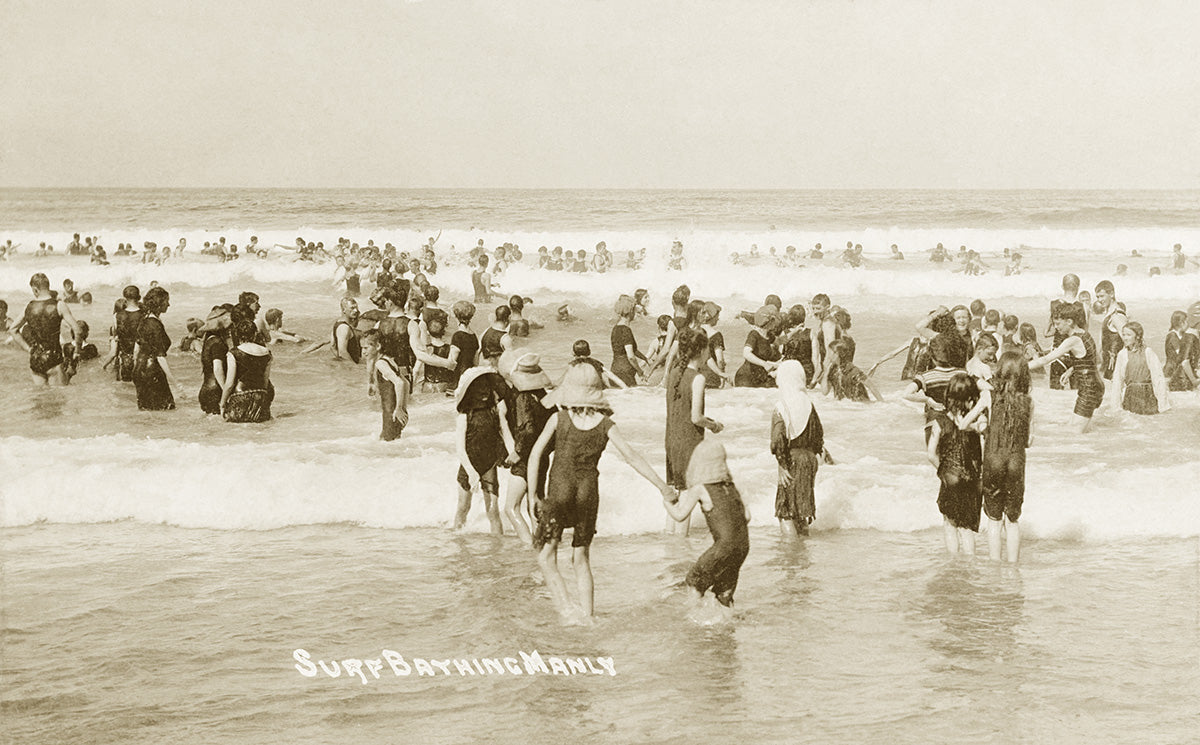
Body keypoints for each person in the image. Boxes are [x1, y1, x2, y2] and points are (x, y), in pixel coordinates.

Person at [529, 362, 676, 621]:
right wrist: (663, 488)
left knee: (546, 555)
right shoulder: (606, 424)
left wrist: (532, 494)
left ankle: (566, 609)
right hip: (587, 493)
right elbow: (633, 457)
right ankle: (588, 617)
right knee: (581, 558)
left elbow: (535, 454)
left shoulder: (559, 419)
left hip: (559, 490)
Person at [662, 439, 751, 609]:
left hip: (723, 547)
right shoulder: (731, 487)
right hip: (743, 547)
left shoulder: (701, 488)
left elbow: (680, 516)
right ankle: (726, 625)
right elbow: (747, 517)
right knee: (724, 593)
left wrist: (667, 503)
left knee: (694, 581)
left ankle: (693, 621)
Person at [972, 351, 1033, 563]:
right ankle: (1013, 566)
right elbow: (1029, 441)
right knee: (1013, 519)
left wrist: (981, 425)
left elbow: (972, 416)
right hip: (1016, 461)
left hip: (993, 459)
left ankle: (995, 565)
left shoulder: (990, 397)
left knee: (994, 520)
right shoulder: (1028, 401)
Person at [454, 336, 518, 534]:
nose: (483, 391)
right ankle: (458, 544)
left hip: (489, 463)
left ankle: (497, 554)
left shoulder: (496, 411)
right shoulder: (464, 416)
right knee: (463, 507)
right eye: (478, 387)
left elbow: (506, 432)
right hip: (469, 465)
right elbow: (460, 449)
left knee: (493, 511)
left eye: (486, 387)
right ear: (471, 391)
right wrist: (471, 472)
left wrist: (515, 453)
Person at [665, 328, 724, 532]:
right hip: (689, 442)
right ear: (700, 350)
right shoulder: (697, 378)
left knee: (677, 495)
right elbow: (696, 417)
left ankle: (670, 546)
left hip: (671, 440)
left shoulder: (674, 373)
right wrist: (714, 425)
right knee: (688, 496)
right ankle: (681, 553)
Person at [927, 373, 984, 556]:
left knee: (950, 522)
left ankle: (954, 561)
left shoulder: (939, 421)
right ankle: (970, 562)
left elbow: (930, 454)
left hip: (950, 476)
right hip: (972, 477)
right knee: (966, 527)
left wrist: (943, 470)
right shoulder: (975, 421)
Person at [501, 353, 554, 544]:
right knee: (535, 504)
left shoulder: (522, 397)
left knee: (511, 507)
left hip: (526, 459)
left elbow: (528, 429)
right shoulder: (542, 396)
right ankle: (541, 545)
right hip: (542, 457)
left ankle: (528, 546)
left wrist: (518, 452)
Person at [1028, 303, 1104, 432]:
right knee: (1075, 430)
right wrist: (1072, 369)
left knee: (1075, 434)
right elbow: (1095, 359)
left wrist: (1019, 367)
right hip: (1094, 385)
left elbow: (1046, 359)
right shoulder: (1085, 334)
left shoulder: (1072, 340)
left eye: (1057, 324)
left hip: (1088, 390)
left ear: (1069, 321)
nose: (1056, 328)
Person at [771, 360, 824, 537]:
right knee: (802, 510)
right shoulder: (809, 404)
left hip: (792, 460)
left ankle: (791, 553)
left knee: (785, 511)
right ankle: (803, 551)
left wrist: (781, 464)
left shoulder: (782, 405)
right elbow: (818, 436)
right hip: (809, 460)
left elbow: (778, 438)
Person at [10, 273, 83, 386]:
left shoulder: (28, 307)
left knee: (41, 398)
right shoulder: (59, 305)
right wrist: (77, 351)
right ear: (48, 286)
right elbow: (77, 330)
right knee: (59, 398)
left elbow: (13, 329)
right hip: (53, 358)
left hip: (35, 359)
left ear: (35, 289)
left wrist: (28, 349)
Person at [1108, 321, 1169, 415]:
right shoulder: (1122, 354)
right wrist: (1115, 407)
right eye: (1123, 334)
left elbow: (1158, 379)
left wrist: (1163, 405)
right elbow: (1117, 381)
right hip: (1131, 396)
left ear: (1138, 337)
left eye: (1128, 335)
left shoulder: (1148, 352)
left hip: (1147, 395)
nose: (1124, 338)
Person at [132, 286, 179, 409]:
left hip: (139, 369)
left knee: (147, 411)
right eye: (166, 301)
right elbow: (160, 357)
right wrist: (175, 383)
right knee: (165, 411)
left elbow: (136, 350)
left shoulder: (144, 319)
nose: (169, 304)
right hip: (152, 371)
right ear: (159, 303)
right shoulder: (155, 324)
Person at [220, 319, 274, 423]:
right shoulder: (267, 352)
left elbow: (230, 384)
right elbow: (264, 382)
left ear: (238, 335)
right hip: (260, 396)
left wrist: (222, 403)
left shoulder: (234, 353)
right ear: (254, 334)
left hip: (240, 397)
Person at [198, 306, 232, 415]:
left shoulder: (208, 340)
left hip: (206, 389)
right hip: (216, 390)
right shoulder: (218, 343)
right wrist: (226, 394)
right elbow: (217, 369)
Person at [825, 336, 881, 402]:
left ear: (837, 354)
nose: (828, 356)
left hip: (860, 404)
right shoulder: (832, 370)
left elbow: (871, 386)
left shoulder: (852, 370)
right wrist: (825, 373)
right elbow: (825, 392)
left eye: (829, 353)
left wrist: (882, 403)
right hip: (846, 406)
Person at [734, 307, 780, 387]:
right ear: (770, 322)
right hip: (746, 377)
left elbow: (780, 341)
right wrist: (764, 364)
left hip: (758, 375)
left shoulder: (769, 335)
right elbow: (746, 353)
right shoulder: (754, 334)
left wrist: (794, 331)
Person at [1093, 280, 1128, 380]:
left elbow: (1128, 340)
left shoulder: (1117, 316)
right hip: (1108, 364)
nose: (1099, 300)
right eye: (1097, 297)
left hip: (1115, 365)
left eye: (1102, 296)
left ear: (1111, 294)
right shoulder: (1109, 314)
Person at [610, 294, 645, 387]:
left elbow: (625, 349)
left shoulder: (615, 328)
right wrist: (640, 371)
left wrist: (645, 358)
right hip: (626, 373)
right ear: (630, 311)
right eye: (634, 310)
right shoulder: (626, 330)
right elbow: (631, 356)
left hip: (614, 370)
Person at [447, 300, 479, 393]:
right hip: (469, 378)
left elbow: (451, 362)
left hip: (457, 380)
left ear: (456, 315)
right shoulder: (473, 335)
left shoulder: (458, 336)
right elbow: (476, 362)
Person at [1164, 310, 1198, 391]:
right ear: (1181, 323)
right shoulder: (1172, 336)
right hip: (1173, 372)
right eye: (1187, 321)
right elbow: (1182, 358)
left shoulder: (1179, 336)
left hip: (1174, 370)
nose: (1189, 325)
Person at [699, 301, 730, 388]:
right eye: (717, 316)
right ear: (712, 317)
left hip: (696, 374)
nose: (718, 319)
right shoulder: (716, 335)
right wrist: (722, 377)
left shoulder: (695, 331)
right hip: (711, 376)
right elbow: (720, 360)